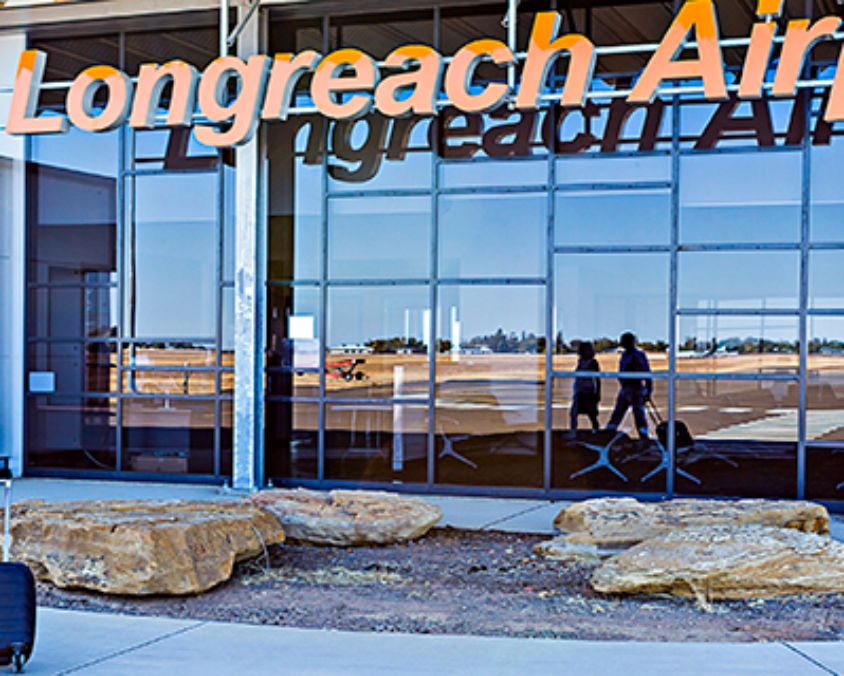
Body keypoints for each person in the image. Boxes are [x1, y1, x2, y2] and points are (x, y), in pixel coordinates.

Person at [606, 332, 652, 440]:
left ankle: (643, 435)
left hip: (636, 389)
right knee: (618, 413)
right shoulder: (624, 355)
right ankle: (609, 432)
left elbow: (646, 373)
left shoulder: (638, 355)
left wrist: (648, 390)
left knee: (638, 414)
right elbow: (621, 373)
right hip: (627, 389)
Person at [570, 341, 601, 433]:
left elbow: (597, 379)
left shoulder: (593, 363)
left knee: (591, 413)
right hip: (579, 390)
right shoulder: (580, 362)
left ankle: (596, 430)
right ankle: (573, 430)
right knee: (574, 412)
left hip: (589, 391)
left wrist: (598, 393)